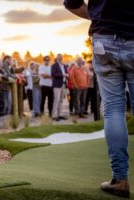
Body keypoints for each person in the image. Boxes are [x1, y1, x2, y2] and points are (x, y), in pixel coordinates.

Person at [64, 0, 133, 198]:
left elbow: (72, 2)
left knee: (113, 110)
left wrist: (97, 14)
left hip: (105, 39)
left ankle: (120, 179)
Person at [51, 54, 68, 121]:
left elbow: (66, 72)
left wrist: (67, 74)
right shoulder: (54, 65)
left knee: (61, 100)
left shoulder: (64, 65)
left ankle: (59, 114)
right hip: (57, 85)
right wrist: (62, 75)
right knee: (56, 100)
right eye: (59, 57)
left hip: (63, 84)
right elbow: (53, 74)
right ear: (57, 58)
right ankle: (54, 116)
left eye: (61, 57)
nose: (60, 58)